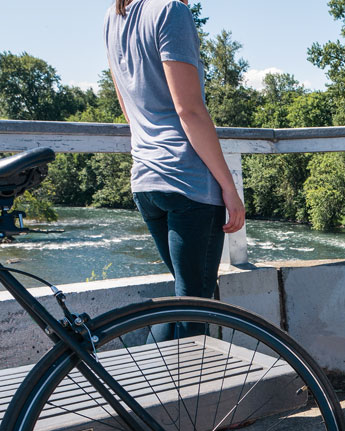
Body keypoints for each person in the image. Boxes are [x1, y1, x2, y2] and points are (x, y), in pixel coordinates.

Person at [104, 0, 245, 337]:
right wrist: (228, 185)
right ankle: (165, 388)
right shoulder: (171, 11)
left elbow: (128, 108)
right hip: (188, 181)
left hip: (146, 180)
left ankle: (154, 384)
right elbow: (189, 111)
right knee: (194, 305)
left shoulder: (114, 16)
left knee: (186, 297)